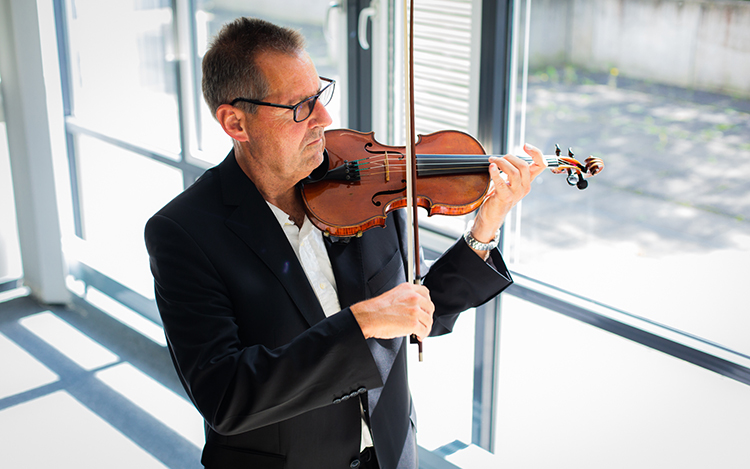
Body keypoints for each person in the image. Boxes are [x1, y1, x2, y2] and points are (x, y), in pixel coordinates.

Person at [145, 16, 546, 469]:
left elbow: (415, 312)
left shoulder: (361, 184)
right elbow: (227, 397)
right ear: (236, 122)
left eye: (319, 94)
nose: (325, 119)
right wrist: (360, 322)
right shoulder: (183, 232)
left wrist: (484, 228)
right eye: (299, 107)